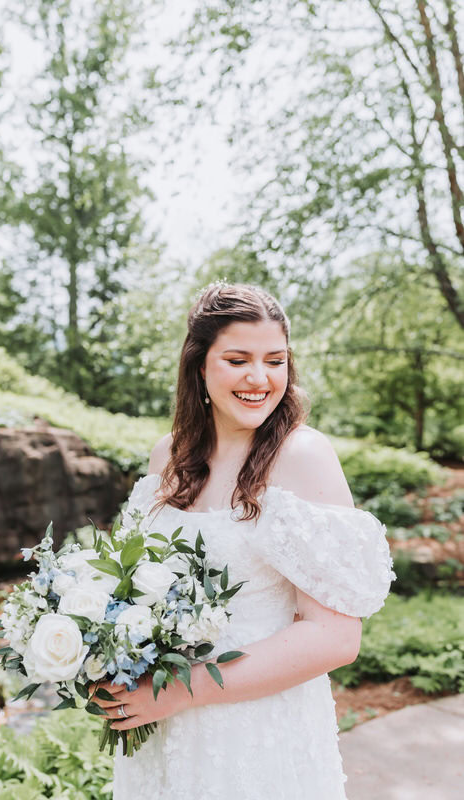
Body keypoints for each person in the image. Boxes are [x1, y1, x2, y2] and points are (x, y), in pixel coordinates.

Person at [93, 282, 395, 799]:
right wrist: (106, 656)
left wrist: (178, 693)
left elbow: (336, 638)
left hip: (256, 733)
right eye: (238, 360)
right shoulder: (168, 455)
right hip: (159, 733)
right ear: (200, 367)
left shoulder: (303, 457)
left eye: (275, 360)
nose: (260, 378)